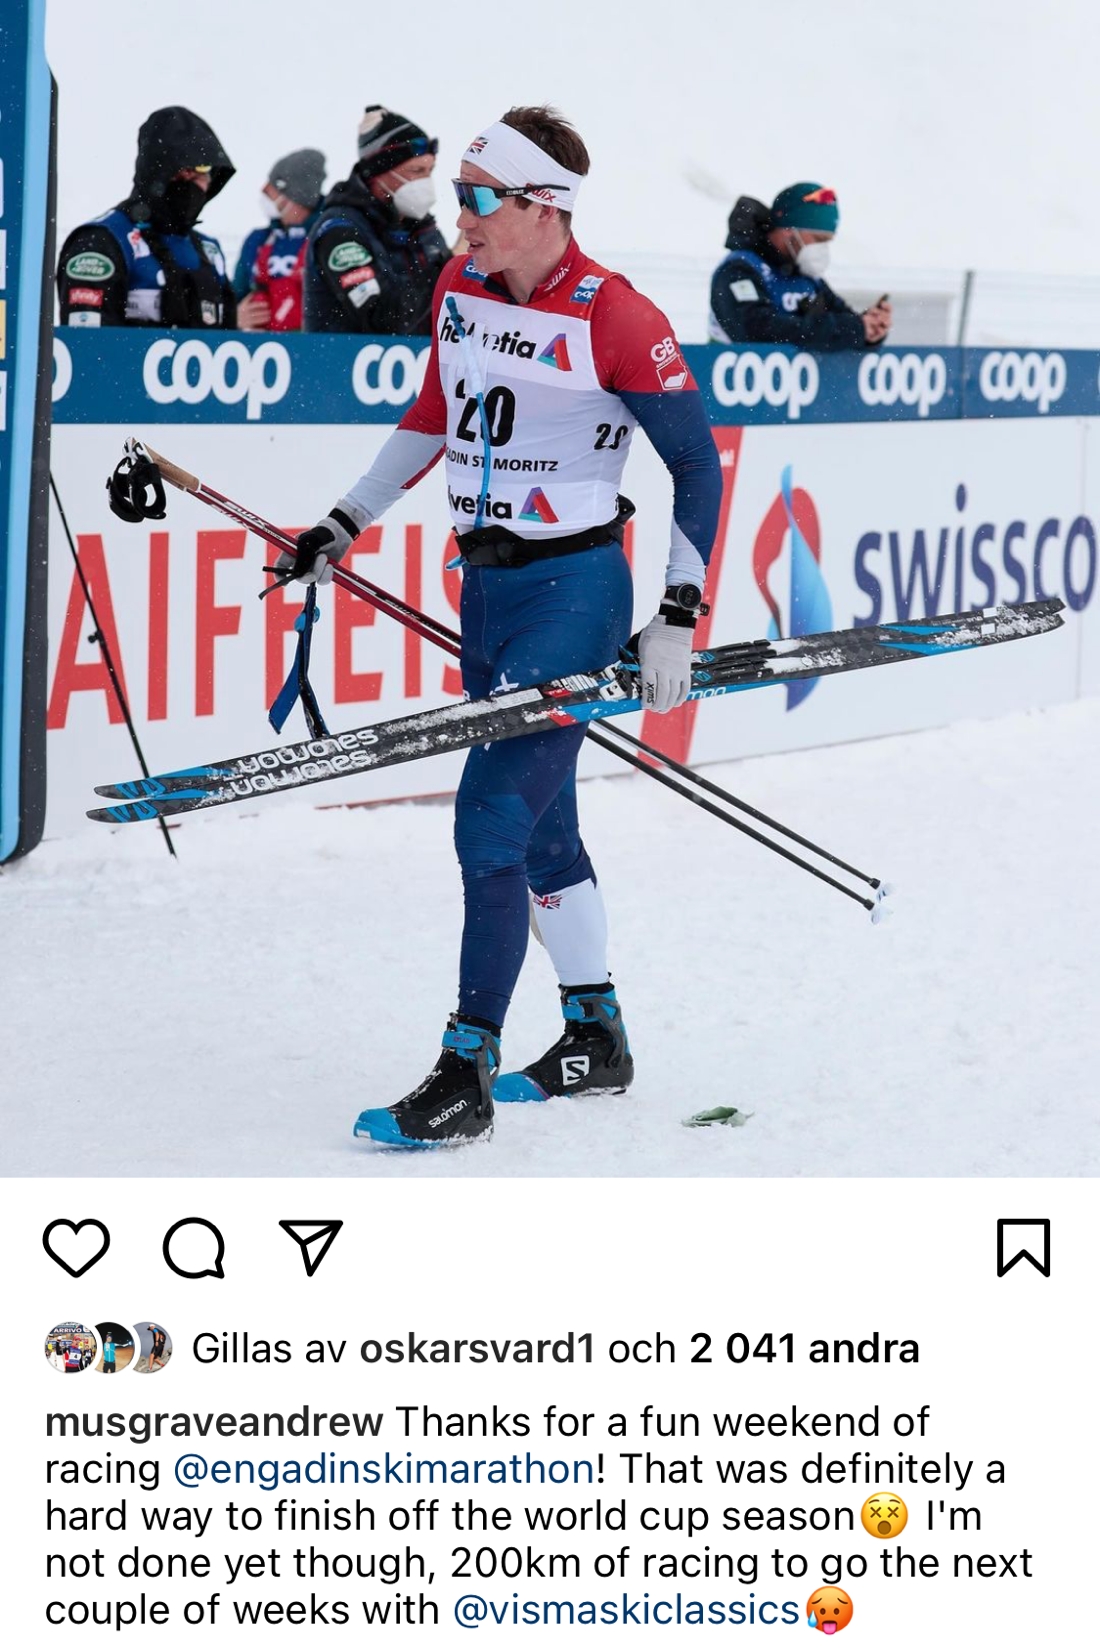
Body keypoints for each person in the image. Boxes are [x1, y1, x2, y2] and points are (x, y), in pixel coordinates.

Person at [280, 105, 722, 1149]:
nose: (461, 216)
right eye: (463, 196)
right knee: (543, 828)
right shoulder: (458, 286)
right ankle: (593, 1034)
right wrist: (343, 521)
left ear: (542, 208)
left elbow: (695, 465)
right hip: (482, 594)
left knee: (487, 822)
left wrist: (673, 614)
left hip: (572, 595)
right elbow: (435, 410)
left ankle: (463, 1066)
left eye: (479, 198)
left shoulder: (615, 315)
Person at [57, 106, 235, 329]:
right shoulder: (103, 242)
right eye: (183, 170)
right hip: (127, 362)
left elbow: (230, 344)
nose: (191, 182)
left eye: (201, 172)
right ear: (158, 170)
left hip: (199, 364)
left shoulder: (209, 252)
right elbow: (89, 348)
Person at [302, 105, 450, 333]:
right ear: (380, 171)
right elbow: (383, 320)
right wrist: (447, 269)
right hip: (345, 365)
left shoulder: (420, 226)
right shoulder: (340, 232)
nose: (426, 181)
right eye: (416, 171)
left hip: (414, 365)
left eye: (430, 171)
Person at [708, 182, 891, 351]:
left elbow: (843, 324)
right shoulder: (739, 269)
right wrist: (851, 329)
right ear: (789, 231)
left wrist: (869, 328)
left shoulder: (805, 276)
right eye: (818, 240)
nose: (822, 249)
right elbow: (756, 331)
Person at [234, 149, 326, 332]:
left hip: (315, 350)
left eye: (272, 189)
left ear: (295, 196)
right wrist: (236, 316)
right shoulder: (258, 241)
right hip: (262, 350)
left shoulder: (329, 237)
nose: (263, 192)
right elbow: (234, 295)